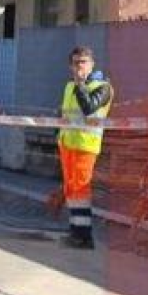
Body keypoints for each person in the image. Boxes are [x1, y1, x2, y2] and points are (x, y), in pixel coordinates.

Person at [58, 47, 113, 249]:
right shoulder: (69, 86)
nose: (78, 66)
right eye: (74, 62)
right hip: (67, 144)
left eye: (82, 62)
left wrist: (81, 84)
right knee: (71, 189)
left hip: (85, 145)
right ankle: (75, 232)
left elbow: (88, 108)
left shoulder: (103, 87)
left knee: (81, 189)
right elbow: (65, 114)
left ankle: (84, 236)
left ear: (92, 63)